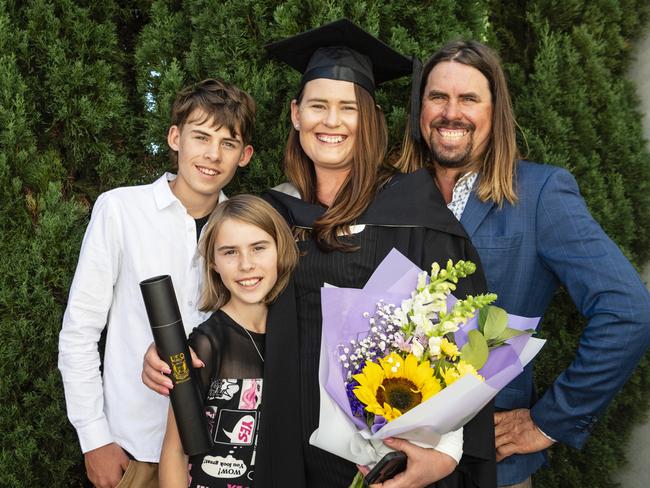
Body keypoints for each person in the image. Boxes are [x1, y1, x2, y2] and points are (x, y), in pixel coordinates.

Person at [144, 19, 496, 488]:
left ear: (368, 118)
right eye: (317, 106)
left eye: (348, 108)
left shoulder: (415, 212)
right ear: (295, 114)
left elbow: (469, 347)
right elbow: (231, 310)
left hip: (392, 465)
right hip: (285, 452)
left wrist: (447, 457)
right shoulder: (271, 214)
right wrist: (174, 353)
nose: (331, 121)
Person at [397, 39, 650, 488]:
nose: (450, 112)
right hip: (390, 458)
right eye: (438, 97)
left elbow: (627, 311)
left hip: (490, 465)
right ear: (420, 111)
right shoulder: (391, 191)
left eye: (469, 98)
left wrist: (547, 421)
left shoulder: (539, 195)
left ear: (495, 113)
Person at [58, 78, 255, 488]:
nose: (212, 155)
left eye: (228, 143)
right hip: (136, 449)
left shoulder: (245, 232)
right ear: (174, 137)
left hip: (223, 454)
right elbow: (79, 331)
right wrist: (95, 439)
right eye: (200, 136)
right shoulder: (121, 210)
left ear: (245, 155)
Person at [159, 194, 300, 488]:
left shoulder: (299, 332)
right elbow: (174, 451)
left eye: (259, 248)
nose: (246, 265)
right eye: (230, 252)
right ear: (213, 262)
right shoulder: (205, 344)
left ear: (280, 249)